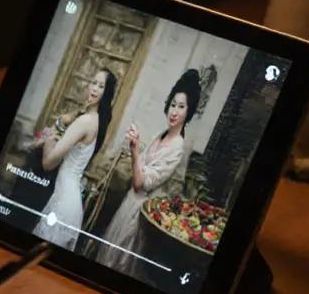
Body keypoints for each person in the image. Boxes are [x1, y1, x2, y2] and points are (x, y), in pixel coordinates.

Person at [96, 69, 201, 275]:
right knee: (107, 251)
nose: (174, 111)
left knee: (118, 263)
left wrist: (135, 151)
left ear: (188, 112)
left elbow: (140, 183)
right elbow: (139, 172)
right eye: (173, 104)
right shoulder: (159, 135)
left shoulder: (177, 148)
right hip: (128, 203)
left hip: (139, 213)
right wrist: (134, 152)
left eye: (181, 107)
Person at [30, 69, 117, 251]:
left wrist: (50, 132)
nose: (94, 88)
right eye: (93, 82)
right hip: (70, 201)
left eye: (101, 86)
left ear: (106, 93)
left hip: (64, 203)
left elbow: (48, 163)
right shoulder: (97, 120)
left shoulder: (85, 121)